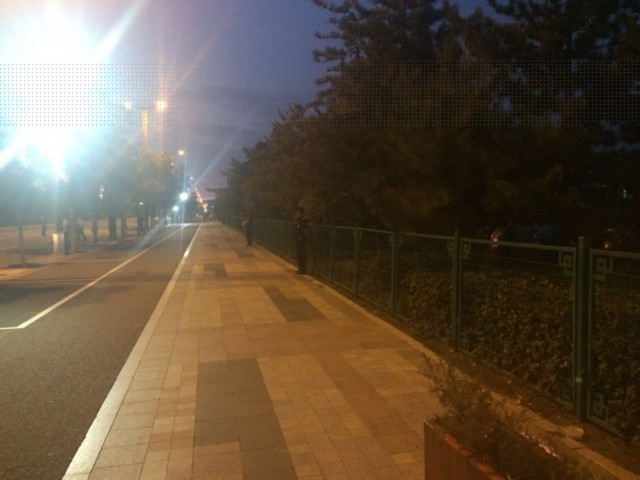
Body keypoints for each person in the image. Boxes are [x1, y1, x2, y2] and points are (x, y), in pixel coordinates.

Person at [295, 207, 308, 274]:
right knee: (298, 255)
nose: (296, 214)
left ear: (301, 213)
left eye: (297, 212)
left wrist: (302, 238)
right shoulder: (298, 220)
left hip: (302, 240)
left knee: (302, 255)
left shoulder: (303, 220)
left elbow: (305, 231)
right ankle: (300, 268)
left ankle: (303, 269)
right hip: (298, 239)